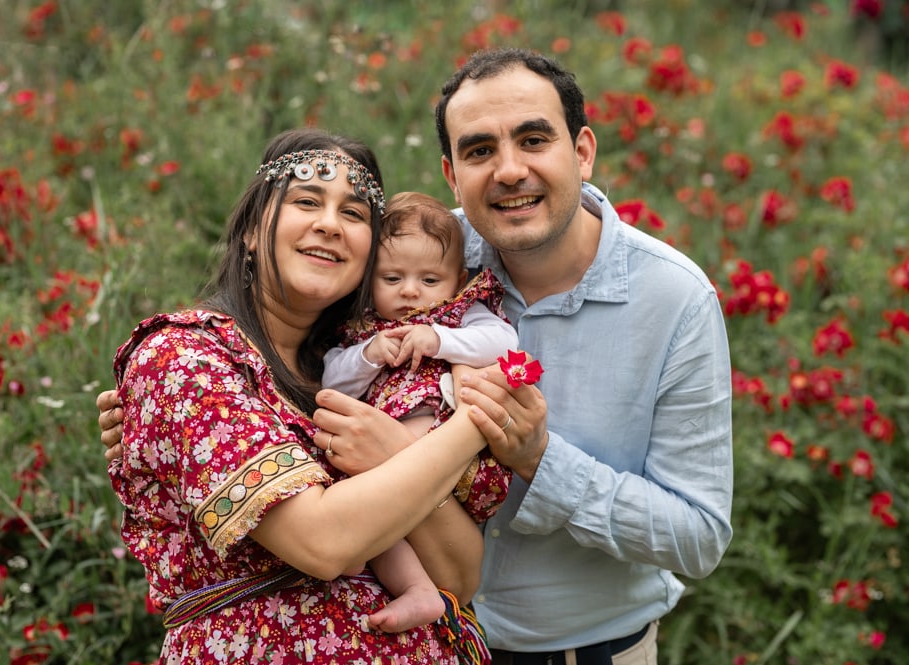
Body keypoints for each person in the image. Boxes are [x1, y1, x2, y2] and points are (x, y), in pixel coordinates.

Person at [100, 47, 734, 665]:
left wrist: (538, 459)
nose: (509, 171)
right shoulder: (420, 254)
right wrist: (156, 399)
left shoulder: (673, 299)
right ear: (451, 175)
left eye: (534, 139)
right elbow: (310, 512)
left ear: (583, 151)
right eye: (480, 150)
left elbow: (696, 536)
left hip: (583, 649)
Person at [103, 127, 506, 664]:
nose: (329, 224)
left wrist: (395, 450)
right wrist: (477, 419)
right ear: (252, 230)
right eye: (307, 201)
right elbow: (323, 543)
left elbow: (459, 575)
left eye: (354, 213)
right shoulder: (185, 358)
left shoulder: (362, 373)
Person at [321, 191, 520, 442]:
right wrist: (369, 355)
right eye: (392, 278)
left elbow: (505, 342)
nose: (409, 291)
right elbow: (330, 385)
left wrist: (439, 340)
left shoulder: (456, 313)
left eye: (429, 280)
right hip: (369, 432)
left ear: (459, 282)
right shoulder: (363, 325)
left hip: (438, 428)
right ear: (369, 278)